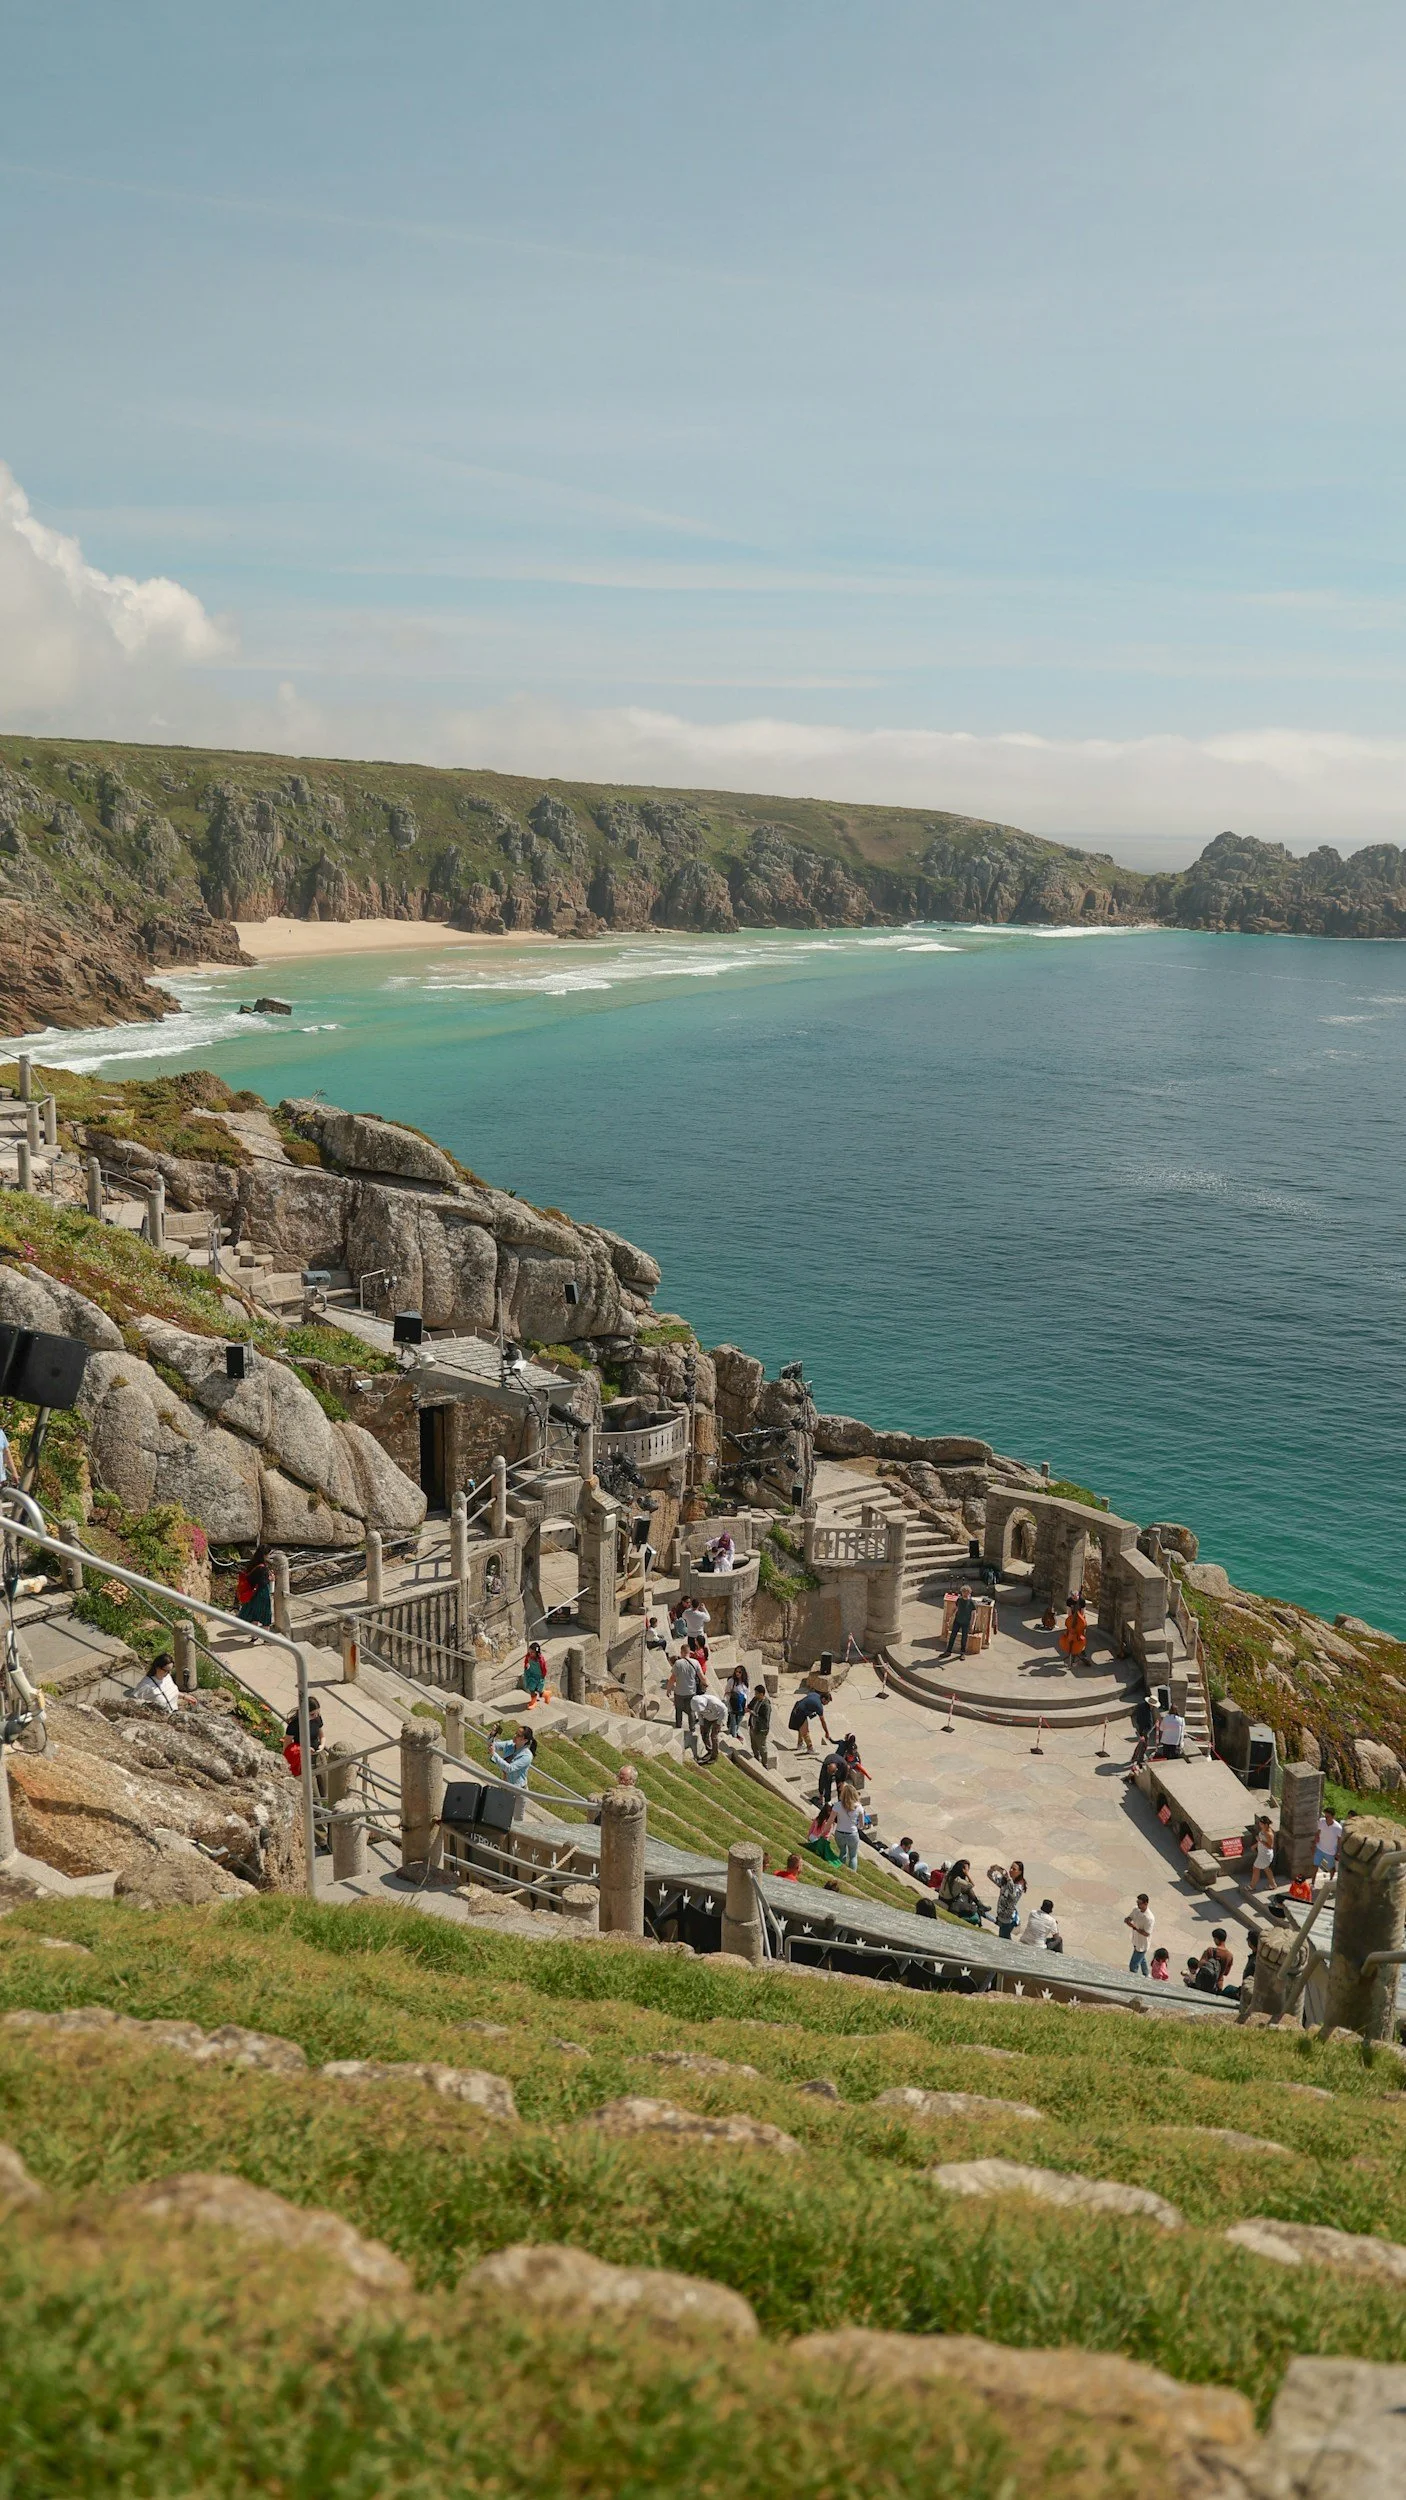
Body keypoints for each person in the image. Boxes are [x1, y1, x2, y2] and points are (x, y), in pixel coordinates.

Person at [937, 1859, 986, 1924]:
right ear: (962, 1870)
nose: (967, 1870)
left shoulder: (948, 1874)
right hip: (950, 1901)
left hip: (941, 1897)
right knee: (969, 1890)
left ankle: (979, 1904)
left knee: (967, 1890)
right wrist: (967, 1874)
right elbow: (971, 1885)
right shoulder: (957, 1880)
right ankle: (979, 1904)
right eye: (966, 1869)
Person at [987, 1859, 1027, 1940]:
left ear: (1020, 1872)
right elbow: (990, 1876)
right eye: (1011, 1868)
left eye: (1014, 1869)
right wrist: (994, 1869)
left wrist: (1009, 1879)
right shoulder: (1005, 1881)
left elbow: (1013, 1896)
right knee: (1004, 1937)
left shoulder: (1019, 1886)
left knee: (1003, 1938)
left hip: (1007, 1918)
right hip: (1001, 1914)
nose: (1011, 1870)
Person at [235, 1547, 273, 1630]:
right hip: (262, 1593)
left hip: (252, 1592)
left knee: (254, 1615)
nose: (269, 1556)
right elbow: (262, 1582)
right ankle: (267, 1638)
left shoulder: (252, 1564)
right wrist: (270, 1578)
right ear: (264, 1555)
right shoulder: (262, 1568)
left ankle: (254, 1636)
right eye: (269, 1554)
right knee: (265, 1615)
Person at [788, 1688, 832, 1754]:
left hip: (797, 1708)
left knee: (801, 1727)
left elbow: (807, 1701)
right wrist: (827, 1732)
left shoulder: (815, 1694)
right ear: (823, 1699)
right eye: (827, 1702)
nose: (827, 1704)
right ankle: (810, 1748)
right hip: (800, 1714)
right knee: (805, 1732)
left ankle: (800, 1744)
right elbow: (823, 1721)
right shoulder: (819, 1706)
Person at [691, 1684, 727, 1764]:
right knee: (704, 1733)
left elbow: (724, 1710)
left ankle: (714, 1756)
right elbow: (700, 1714)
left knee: (714, 1736)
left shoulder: (714, 1702)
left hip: (717, 1718)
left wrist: (719, 1723)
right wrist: (701, 1725)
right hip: (707, 1718)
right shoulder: (697, 1703)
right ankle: (709, 1750)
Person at [667, 1647, 702, 1729]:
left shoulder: (678, 1663)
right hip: (691, 1691)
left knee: (678, 1710)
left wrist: (668, 1689)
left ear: (681, 1652)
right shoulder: (695, 1662)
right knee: (691, 1710)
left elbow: (672, 1678)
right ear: (689, 1652)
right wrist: (705, 1683)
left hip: (679, 1692)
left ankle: (679, 1726)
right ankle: (692, 1727)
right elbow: (702, 1677)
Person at [833, 1782, 864, 1869]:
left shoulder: (837, 1805)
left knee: (842, 1852)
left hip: (839, 1833)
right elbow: (861, 1825)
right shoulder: (859, 1807)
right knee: (853, 1856)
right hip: (852, 1834)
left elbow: (830, 1821)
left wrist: (824, 1832)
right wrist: (856, 1827)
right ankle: (852, 1874)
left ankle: (840, 1870)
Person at [943, 1585, 977, 1659]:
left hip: (966, 1623)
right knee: (952, 1636)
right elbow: (955, 1608)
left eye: (966, 1592)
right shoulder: (959, 1600)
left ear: (969, 1592)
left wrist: (972, 1624)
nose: (964, 1593)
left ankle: (962, 1653)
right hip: (957, 1620)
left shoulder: (971, 1602)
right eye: (963, 1592)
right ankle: (948, 1651)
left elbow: (974, 1614)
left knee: (964, 1638)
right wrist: (950, 1617)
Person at [1124, 1892, 1155, 1976]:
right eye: (1137, 1903)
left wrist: (1134, 1927)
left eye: (1140, 1903)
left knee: (1133, 1965)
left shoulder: (1149, 1918)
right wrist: (1128, 1919)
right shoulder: (1136, 1909)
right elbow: (1131, 1916)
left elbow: (1146, 1933)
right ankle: (1146, 1974)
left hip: (1142, 1944)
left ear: (1146, 1903)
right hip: (1135, 1940)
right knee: (1142, 1959)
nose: (1138, 1905)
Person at [1248, 1814, 1277, 1893]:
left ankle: (1252, 1886)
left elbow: (1270, 1846)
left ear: (1266, 1824)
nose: (1260, 1826)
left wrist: (1260, 1841)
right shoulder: (1264, 1830)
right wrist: (1255, 1845)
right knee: (1266, 1868)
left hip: (1265, 1854)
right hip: (1262, 1853)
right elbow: (1261, 1841)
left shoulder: (1269, 1833)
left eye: (1261, 1824)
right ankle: (1272, 1884)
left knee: (1256, 1868)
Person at [746, 1681, 772, 1762]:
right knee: (753, 1745)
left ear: (761, 1694)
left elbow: (764, 1719)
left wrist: (752, 1713)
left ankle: (764, 1764)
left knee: (762, 1748)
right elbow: (750, 1706)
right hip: (753, 1727)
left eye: (757, 1693)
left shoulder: (766, 1705)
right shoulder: (755, 1699)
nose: (755, 1695)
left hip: (761, 1730)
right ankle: (756, 1759)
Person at [1314, 1809, 1344, 1879]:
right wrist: (1314, 1844)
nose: (1326, 1818)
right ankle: (1312, 1882)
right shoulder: (1322, 1821)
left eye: (1328, 1816)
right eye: (1325, 1816)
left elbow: (1339, 1841)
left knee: (1331, 1868)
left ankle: (1330, 1880)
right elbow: (1317, 1832)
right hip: (1320, 1848)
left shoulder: (1338, 1828)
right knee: (1315, 1866)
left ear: (1333, 1817)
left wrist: (1338, 1852)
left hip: (1330, 1852)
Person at [1059, 1594, 1087, 1664]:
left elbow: (1083, 1612)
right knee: (1070, 1633)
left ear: (1078, 1596)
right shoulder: (1069, 1600)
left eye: (1075, 1597)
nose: (1074, 1599)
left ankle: (1082, 1651)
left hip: (1080, 1621)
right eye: (1073, 1597)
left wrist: (1079, 1620)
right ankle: (1071, 1651)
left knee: (1082, 1636)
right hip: (1072, 1620)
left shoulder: (1082, 1601)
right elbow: (1069, 1612)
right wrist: (1071, 1620)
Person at [726, 1662, 749, 1738]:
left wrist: (745, 1705)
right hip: (733, 1703)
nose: (737, 1673)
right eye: (736, 1671)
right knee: (733, 1720)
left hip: (742, 1704)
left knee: (739, 1720)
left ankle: (735, 1732)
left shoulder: (745, 1682)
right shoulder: (732, 1681)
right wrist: (729, 1704)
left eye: (739, 1672)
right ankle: (734, 1735)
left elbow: (747, 1693)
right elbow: (727, 1692)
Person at [1210, 1927, 1235, 1991]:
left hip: (1206, 1981)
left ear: (1217, 1939)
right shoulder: (1230, 1956)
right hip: (1218, 1984)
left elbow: (1200, 1964)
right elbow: (1226, 1973)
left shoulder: (1210, 1951)